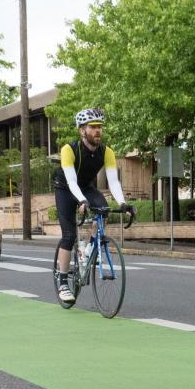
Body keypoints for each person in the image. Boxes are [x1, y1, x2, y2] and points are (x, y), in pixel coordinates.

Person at [53, 108, 133, 303]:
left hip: (86, 188)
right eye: (93, 127)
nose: (98, 131)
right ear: (82, 131)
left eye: (100, 127)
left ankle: (89, 247)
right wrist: (81, 200)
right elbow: (71, 181)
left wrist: (122, 202)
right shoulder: (68, 150)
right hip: (65, 188)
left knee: (103, 210)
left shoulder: (107, 152)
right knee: (69, 235)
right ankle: (63, 281)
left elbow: (113, 182)